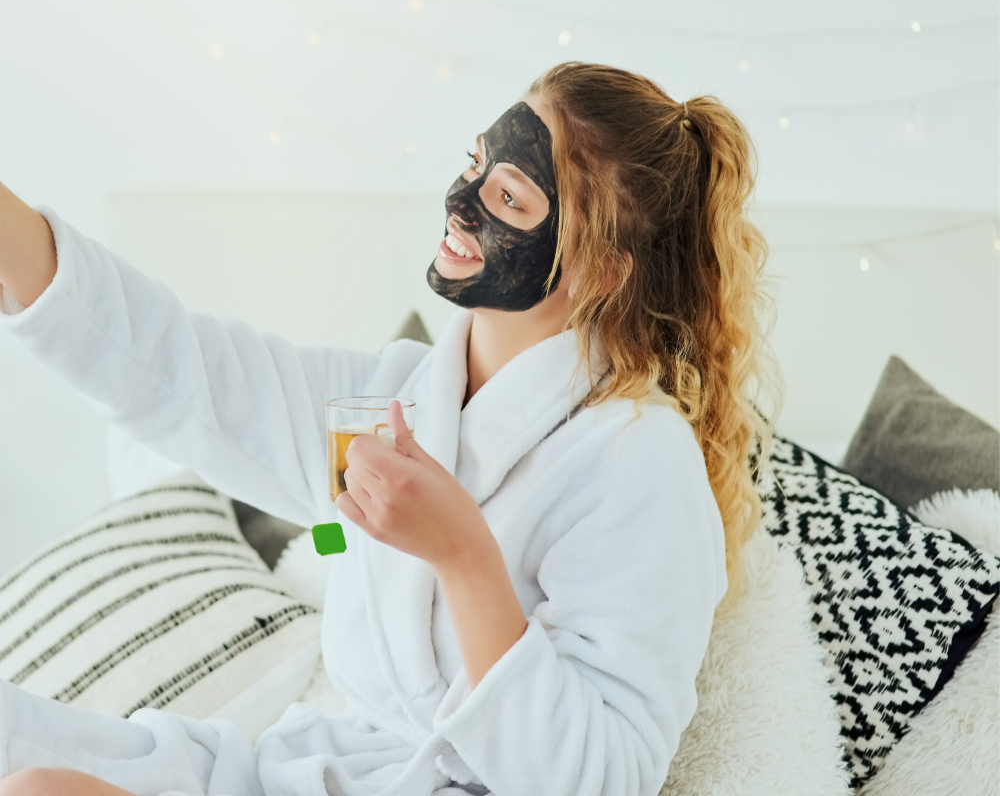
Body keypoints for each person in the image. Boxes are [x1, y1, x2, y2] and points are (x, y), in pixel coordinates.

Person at [0, 62, 775, 796]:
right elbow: (178, 371)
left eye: (508, 197)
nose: (462, 202)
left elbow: (598, 778)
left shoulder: (637, 461)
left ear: (602, 270)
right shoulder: (390, 401)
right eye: (473, 164)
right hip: (318, 768)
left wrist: (462, 554)